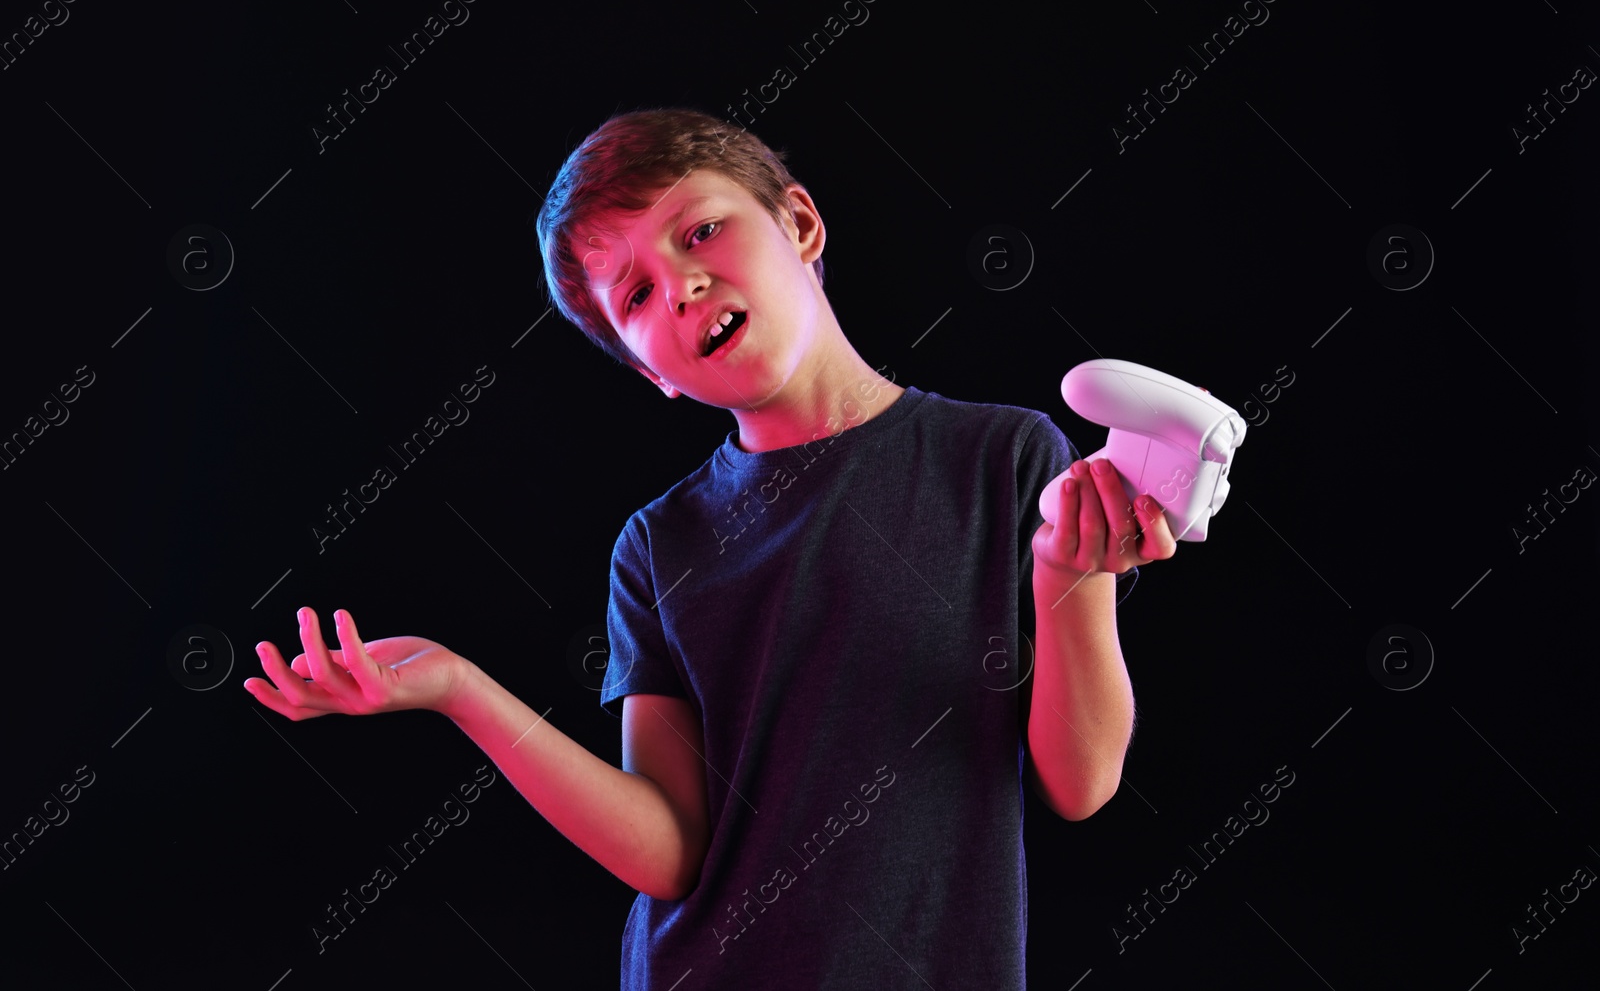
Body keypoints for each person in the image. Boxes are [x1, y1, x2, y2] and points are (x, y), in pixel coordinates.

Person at [244, 107, 1177, 988]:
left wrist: (1071, 576)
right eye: (638, 293)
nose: (683, 284)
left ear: (800, 222)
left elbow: (1082, 780)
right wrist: (456, 686)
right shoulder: (659, 544)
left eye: (699, 232)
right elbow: (670, 849)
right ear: (651, 370)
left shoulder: (1005, 458)